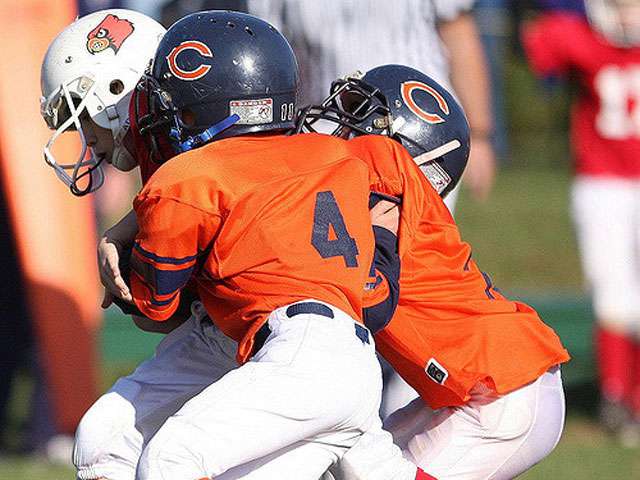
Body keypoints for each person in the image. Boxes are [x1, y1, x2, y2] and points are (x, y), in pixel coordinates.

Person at [298, 65, 570, 480]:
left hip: (500, 394)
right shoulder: (384, 205)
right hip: (477, 388)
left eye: (360, 120)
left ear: (404, 152)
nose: (341, 130)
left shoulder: (385, 193)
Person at [522, 0, 640, 446]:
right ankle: (614, 397)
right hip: (603, 181)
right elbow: (535, 42)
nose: (627, 14)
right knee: (613, 290)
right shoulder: (579, 34)